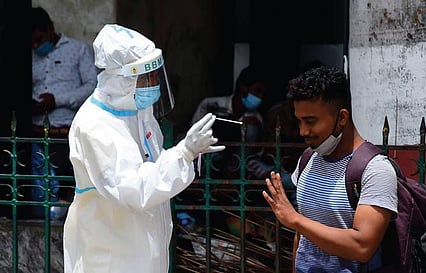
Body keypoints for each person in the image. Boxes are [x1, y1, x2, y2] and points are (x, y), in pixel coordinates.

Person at [62, 24, 225, 273]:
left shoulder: (137, 111)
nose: (153, 84)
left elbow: (156, 166)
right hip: (111, 255)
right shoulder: (94, 125)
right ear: (122, 79)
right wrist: (183, 154)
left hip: (144, 250)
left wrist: (189, 154)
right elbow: (134, 190)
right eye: (146, 78)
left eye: (155, 76)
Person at [262, 66, 398, 272]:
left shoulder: (375, 170)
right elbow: (303, 238)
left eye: (310, 121)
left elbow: (362, 246)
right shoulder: (308, 159)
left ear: (342, 118)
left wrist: (296, 221)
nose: (302, 131)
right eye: (299, 121)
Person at [31, 7, 98, 218]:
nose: (36, 46)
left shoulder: (78, 50)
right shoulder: (28, 55)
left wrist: (57, 100)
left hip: (66, 134)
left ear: (50, 29)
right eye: (31, 42)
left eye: (39, 39)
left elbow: (92, 86)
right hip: (34, 133)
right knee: (37, 193)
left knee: (69, 193)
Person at [191, 65, 267, 179]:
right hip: (210, 157)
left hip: (240, 164)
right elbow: (195, 135)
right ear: (243, 88)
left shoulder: (255, 118)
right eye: (257, 91)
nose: (260, 97)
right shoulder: (211, 105)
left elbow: (255, 151)